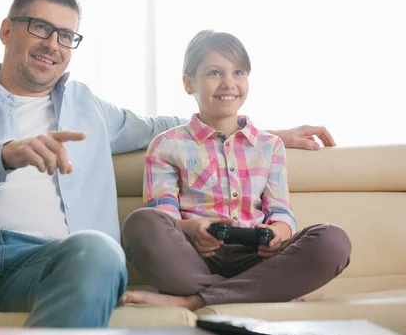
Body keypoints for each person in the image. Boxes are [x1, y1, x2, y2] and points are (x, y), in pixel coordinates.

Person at [0, 0, 338, 328]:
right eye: (40, 27)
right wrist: (7, 154)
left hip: (50, 264)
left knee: (100, 251)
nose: (52, 44)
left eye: (66, 35)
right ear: (6, 30)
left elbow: (179, 126)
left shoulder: (87, 108)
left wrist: (268, 133)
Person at [120, 30, 351, 311]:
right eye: (215, 73)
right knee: (141, 223)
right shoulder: (167, 145)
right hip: (194, 256)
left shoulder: (270, 146)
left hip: (258, 258)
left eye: (238, 72)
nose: (229, 83)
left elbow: (280, 210)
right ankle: (263, 289)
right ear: (188, 83)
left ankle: (193, 300)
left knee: (333, 241)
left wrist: (278, 232)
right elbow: (163, 216)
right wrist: (191, 229)